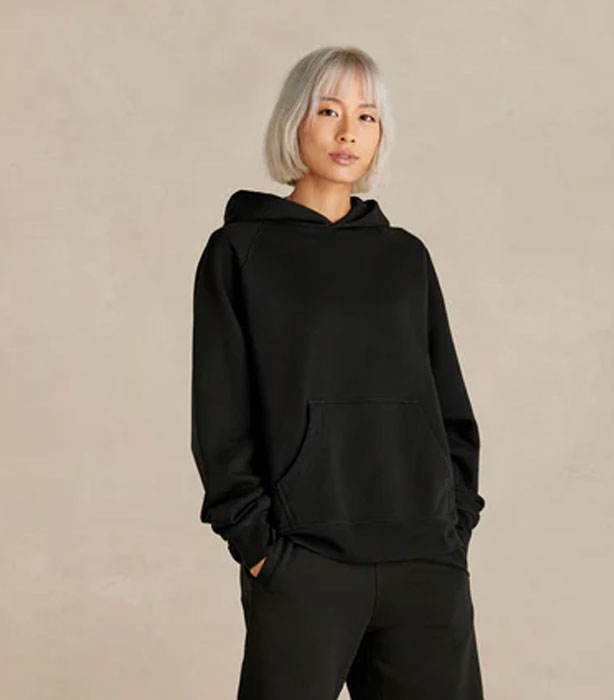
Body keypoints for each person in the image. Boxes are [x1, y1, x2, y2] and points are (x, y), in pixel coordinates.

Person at [190, 45, 486, 700]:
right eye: (329, 111)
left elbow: (449, 408)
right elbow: (220, 413)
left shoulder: (405, 258)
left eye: (367, 116)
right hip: (304, 561)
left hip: (425, 562)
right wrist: (259, 546)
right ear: (294, 120)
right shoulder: (240, 252)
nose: (349, 131)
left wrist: (453, 524)